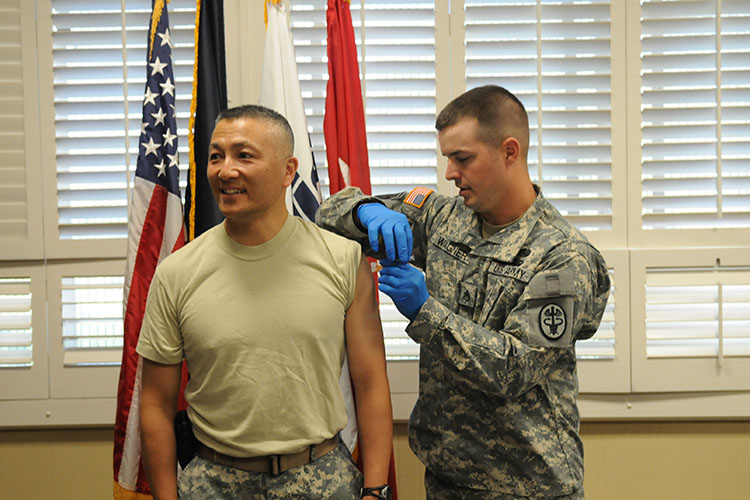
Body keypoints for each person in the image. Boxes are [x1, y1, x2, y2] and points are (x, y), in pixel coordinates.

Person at [316, 85, 611, 499]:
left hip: (527, 486)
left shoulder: (562, 256)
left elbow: (516, 368)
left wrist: (425, 311)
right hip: (447, 480)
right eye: (447, 159)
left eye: (463, 158)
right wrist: (366, 210)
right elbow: (324, 219)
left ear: (510, 151)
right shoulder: (444, 217)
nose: (451, 173)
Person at [137, 104, 393, 500]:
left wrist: (375, 489)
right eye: (215, 156)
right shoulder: (177, 273)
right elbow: (155, 402)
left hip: (322, 479)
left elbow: (371, 382)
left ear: (289, 171)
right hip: (213, 482)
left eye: (244, 155)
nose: (225, 171)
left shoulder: (342, 259)